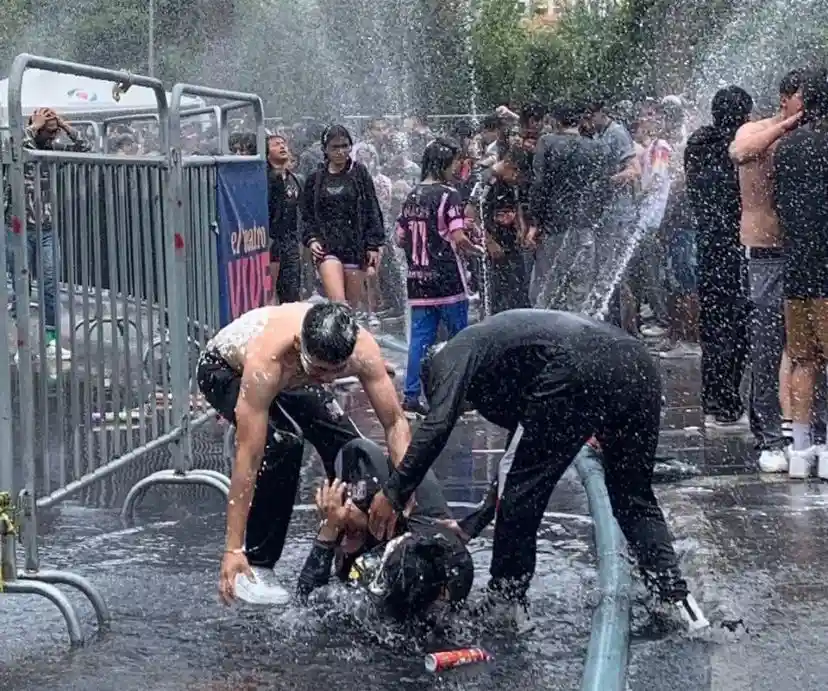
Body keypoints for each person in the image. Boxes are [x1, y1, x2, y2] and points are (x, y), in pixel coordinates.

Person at [367, 310, 702, 627]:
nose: (468, 408)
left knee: (524, 494)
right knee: (633, 497)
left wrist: (394, 492)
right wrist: (475, 521)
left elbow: (438, 425)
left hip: (580, 367)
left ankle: (506, 598)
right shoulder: (504, 365)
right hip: (636, 363)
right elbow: (516, 456)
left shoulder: (453, 355)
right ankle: (674, 598)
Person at [196, 301, 410, 605]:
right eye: (320, 370)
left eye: (335, 373)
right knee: (282, 443)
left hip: (294, 374)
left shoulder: (363, 349)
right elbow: (249, 456)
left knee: (350, 446)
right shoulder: (268, 360)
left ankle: (357, 548)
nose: (326, 380)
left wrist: (402, 490)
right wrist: (233, 549)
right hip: (223, 369)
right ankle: (257, 564)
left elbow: (395, 421)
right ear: (299, 345)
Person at [298, 438, 478, 622]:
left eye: (353, 530)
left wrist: (329, 537)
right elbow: (308, 608)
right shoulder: (346, 523)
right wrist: (329, 531)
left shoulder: (415, 545)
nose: (345, 516)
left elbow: (313, 607)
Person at [730, 71, 804, 472]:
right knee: (766, 344)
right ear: (784, 99)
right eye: (801, 101)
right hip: (763, 251)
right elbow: (740, 152)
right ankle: (769, 434)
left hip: (803, 251)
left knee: (805, 347)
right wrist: (788, 125)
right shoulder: (758, 130)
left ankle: (802, 428)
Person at [396, 138, 482, 417]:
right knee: (460, 338)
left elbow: (399, 238)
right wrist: (477, 250)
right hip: (447, 279)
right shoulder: (449, 195)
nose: (458, 167)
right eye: (456, 161)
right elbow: (457, 237)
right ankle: (460, 394)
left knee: (419, 339)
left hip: (418, 279)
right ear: (444, 163)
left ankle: (411, 396)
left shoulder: (412, 195)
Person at [684, 86, 753, 428]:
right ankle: (727, 402)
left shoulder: (697, 145)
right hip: (737, 245)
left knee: (713, 326)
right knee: (738, 325)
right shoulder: (737, 151)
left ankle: (714, 399)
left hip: (708, 246)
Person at [774, 68, 828, 479]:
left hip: (797, 270)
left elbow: (780, 205)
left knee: (803, 360)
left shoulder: (788, 148)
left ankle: (801, 451)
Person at [302, 125, 386, 310]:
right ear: (325, 149)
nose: (340, 152)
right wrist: (311, 239)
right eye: (335, 147)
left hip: (355, 247)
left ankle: (346, 338)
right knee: (339, 305)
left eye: (345, 146)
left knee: (351, 309)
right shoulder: (315, 178)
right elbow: (306, 215)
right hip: (327, 247)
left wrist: (373, 244)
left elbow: (372, 208)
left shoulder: (359, 174)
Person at [267, 133, 303, 304]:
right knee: (269, 294)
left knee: (291, 292)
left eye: (283, 143)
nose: (282, 147)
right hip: (271, 241)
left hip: (291, 242)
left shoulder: (294, 179)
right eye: (276, 144)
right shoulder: (264, 178)